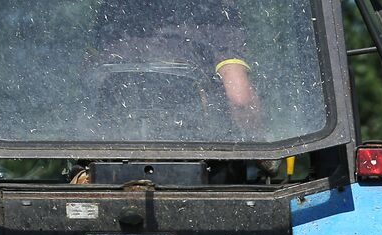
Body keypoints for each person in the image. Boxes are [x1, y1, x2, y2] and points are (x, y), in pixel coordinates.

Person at [94, 0, 262, 134]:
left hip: (108, 145)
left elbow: (88, 81)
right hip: (194, 149)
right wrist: (262, 140)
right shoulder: (217, 14)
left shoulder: (114, 8)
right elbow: (240, 99)